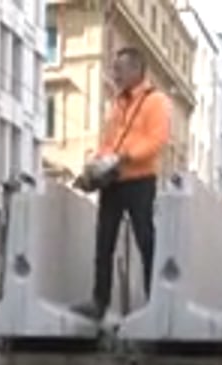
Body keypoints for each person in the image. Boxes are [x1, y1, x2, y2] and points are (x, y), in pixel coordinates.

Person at [72, 47, 172, 322]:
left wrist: (125, 156)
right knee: (103, 242)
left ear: (136, 70)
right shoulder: (118, 104)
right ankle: (99, 301)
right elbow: (109, 142)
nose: (114, 75)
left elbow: (157, 140)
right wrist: (96, 167)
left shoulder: (156, 101)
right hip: (113, 180)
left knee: (146, 240)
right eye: (114, 69)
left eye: (119, 69)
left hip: (140, 180)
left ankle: (155, 299)